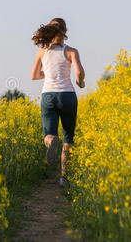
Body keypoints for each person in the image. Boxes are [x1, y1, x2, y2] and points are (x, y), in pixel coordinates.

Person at [30, 18, 85, 187]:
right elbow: (79, 72)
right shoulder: (71, 51)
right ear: (65, 32)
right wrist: (80, 82)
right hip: (67, 95)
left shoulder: (42, 51)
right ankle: (64, 178)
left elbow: (34, 75)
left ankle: (51, 141)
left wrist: (49, 73)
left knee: (49, 134)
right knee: (68, 138)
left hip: (48, 96)